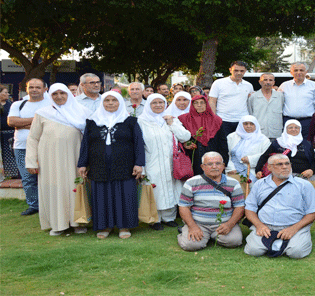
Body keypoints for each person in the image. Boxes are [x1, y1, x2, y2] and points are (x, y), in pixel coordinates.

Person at [25, 84, 92, 235]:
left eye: (63, 93)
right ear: (50, 95)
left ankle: (78, 223)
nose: (59, 96)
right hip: (50, 161)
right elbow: (33, 138)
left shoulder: (83, 112)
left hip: (76, 158)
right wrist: (30, 161)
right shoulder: (42, 113)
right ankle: (57, 224)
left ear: (69, 94)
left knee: (77, 188)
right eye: (55, 94)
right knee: (54, 189)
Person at [78, 91, 145, 239]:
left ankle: (124, 226)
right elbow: (86, 144)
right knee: (102, 195)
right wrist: (82, 163)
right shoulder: (92, 122)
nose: (110, 103)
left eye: (114, 100)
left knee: (124, 195)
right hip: (98, 165)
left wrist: (139, 163)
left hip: (124, 165)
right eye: (106, 100)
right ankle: (104, 226)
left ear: (120, 103)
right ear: (102, 103)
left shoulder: (130, 121)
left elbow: (139, 143)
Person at [244, 154, 315, 259]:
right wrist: (259, 226)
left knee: (296, 252)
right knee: (253, 251)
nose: (285, 167)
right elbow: (249, 209)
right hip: (266, 227)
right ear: (269, 167)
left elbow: (313, 212)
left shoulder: (304, 185)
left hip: (294, 226)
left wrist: (294, 229)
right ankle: (279, 244)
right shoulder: (259, 184)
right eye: (279, 164)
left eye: (287, 164)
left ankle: (298, 238)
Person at [138, 94, 191, 229]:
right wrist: (141, 167)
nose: (158, 105)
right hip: (151, 161)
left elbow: (185, 136)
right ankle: (155, 219)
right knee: (154, 188)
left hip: (171, 162)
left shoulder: (171, 119)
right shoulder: (141, 122)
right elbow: (138, 145)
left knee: (171, 188)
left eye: (161, 102)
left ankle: (169, 217)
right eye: (154, 103)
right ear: (148, 105)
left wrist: (172, 123)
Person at [177, 152, 245, 251]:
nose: (214, 167)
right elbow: (184, 206)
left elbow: (239, 207)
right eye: (209, 164)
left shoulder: (234, 183)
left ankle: (209, 236)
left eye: (218, 163)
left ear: (223, 166)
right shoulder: (191, 182)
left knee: (234, 241)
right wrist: (192, 227)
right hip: (199, 223)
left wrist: (230, 224)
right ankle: (186, 231)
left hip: (223, 223)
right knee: (190, 245)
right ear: (202, 167)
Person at [8, 78, 51, 215]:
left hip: (46, 146)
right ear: (26, 89)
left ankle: (49, 205)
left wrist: (23, 124)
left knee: (48, 177)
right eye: (31, 87)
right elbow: (12, 121)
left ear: (45, 89)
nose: (34, 90)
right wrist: (38, 121)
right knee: (27, 178)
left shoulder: (51, 103)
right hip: (21, 147)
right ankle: (34, 206)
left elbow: (51, 123)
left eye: (37, 87)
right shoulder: (18, 104)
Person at [179, 95, 229, 176]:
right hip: (193, 158)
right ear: (192, 105)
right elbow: (178, 139)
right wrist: (185, 144)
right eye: (196, 103)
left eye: (202, 102)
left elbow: (223, 142)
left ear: (207, 104)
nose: (199, 105)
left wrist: (224, 162)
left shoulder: (216, 120)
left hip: (213, 158)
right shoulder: (184, 119)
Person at [208, 61, 254, 135]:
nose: (239, 73)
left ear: (245, 71)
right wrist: (214, 118)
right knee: (224, 145)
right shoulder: (218, 83)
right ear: (230, 70)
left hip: (242, 121)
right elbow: (212, 101)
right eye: (236, 70)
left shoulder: (249, 85)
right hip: (223, 120)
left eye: (242, 71)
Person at [278, 62, 315, 138]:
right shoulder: (284, 85)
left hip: (308, 122)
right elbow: (277, 101)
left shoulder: (314, 85)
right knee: (288, 145)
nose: (299, 72)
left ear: (306, 72)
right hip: (288, 121)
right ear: (291, 72)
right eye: (296, 70)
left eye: (301, 70)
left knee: (306, 145)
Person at [226, 115, 271, 183]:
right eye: (245, 124)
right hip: (232, 170)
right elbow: (226, 154)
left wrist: (250, 159)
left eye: (251, 124)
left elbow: (266, 156)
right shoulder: (232, 137)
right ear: (241, 125)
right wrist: (231, 168)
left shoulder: (263, 139)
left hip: (253, 171)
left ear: (256, 125)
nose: (248, 126)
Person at [247, 73, 284, 139]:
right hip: (259, 133)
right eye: (265, 80)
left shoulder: (280, 96)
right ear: (260, 82)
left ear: (274, 82)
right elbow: (250, 113)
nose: (268, 82)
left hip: (276, 132)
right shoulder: (253, 97)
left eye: (270, 80)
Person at [0, 85, 19, 179]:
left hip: (9, 134)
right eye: (5, 92)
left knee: (9, 154)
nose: (7, 94)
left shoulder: (11, 105)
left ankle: (12, 174)